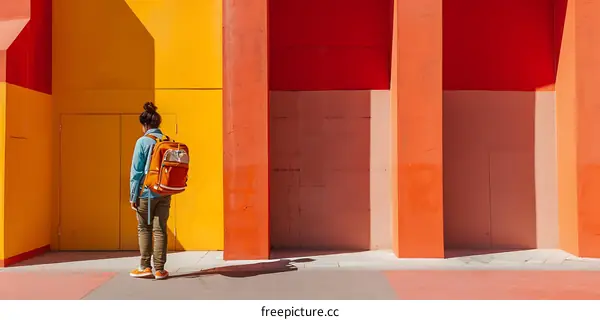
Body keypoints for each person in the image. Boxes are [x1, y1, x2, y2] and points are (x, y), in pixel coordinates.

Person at [129, 102, 171, 280]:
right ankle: (160, 270)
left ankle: (145, 266)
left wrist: (133, 196)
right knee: (160, 228)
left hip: (146, 192)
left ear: (144, 125)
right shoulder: (166, 140)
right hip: (164, 190)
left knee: (144, 228)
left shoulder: (143, 141)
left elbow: (136, 171)